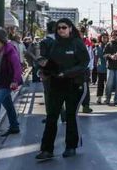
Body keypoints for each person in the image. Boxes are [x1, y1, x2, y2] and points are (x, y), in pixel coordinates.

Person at [36, 18, 89, 160]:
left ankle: (71, 146)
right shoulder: (55, 44)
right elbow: (52, 64)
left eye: (64, 27)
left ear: (70, 28)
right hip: (56, 84)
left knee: (71, 115)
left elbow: (84, 63)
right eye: (58, 28)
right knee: (51, 116)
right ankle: (47, 149)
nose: (61, 30)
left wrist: (66, 73)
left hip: (74, 85)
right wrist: (44, 68)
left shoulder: (77, 43)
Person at [102, 30, 117, 106]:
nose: (114, 36)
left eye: (116, 34)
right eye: (113, 35)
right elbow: (104, 54)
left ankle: (116, 100)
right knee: (109, 84)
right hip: (110, 67)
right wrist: (110, 56)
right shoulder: (109, 44)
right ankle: (107, 99)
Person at [95, 33, 108, 104]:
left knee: (108, 84)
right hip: (101, 67)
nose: (104, 39)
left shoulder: (109, 45)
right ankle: (99, 97)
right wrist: (97, 47)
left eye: (106, 37)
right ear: (101, 38)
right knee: (100, 83)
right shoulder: (98, 46)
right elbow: (97, 55)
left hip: (109, 68)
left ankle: (107, 97)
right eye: (103, 37)